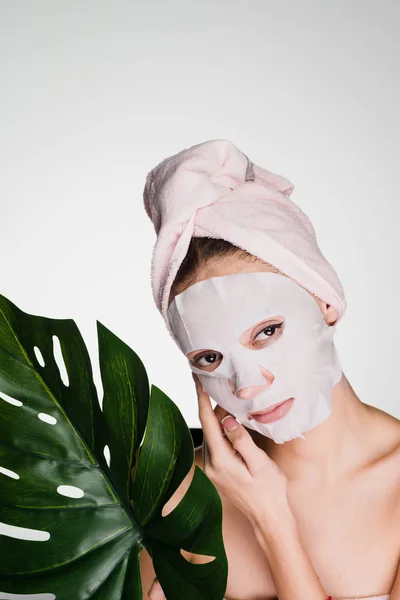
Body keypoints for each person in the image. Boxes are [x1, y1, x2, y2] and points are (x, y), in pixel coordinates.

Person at [139, 140, 400, 600]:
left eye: (267, 331)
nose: (249, 382)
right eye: (210, 358)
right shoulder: (174, 492)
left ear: (325, 301)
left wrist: (272, 521)